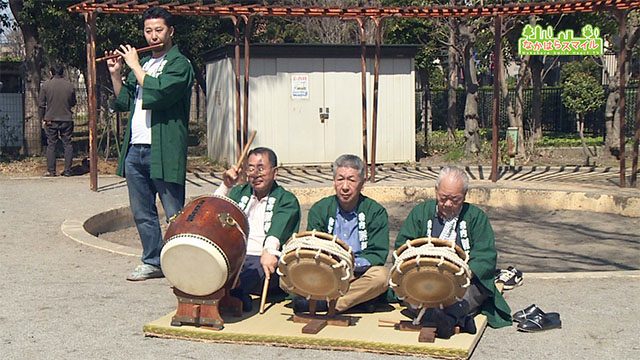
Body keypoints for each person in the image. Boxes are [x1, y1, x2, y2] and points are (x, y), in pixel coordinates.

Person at [106, 7, 195, 281]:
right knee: (142, 212)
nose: (153, 36)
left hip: (164, 149)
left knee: (174, 212)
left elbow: (159, 92)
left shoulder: (180, 64)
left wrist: (134, 65)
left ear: (170, 31)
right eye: (148, 31)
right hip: (136, 149)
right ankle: (152, 261)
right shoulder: (142, 65)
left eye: (158, 30)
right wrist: (117, 73)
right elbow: (124, 101)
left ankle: (185, 264)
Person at [395, 165, 511, 338]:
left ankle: (445, 317)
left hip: (462, 282)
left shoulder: (476, 217)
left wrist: (462, 273)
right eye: (443, 198)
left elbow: (485, 256)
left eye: (455, 199)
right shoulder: (421, 212)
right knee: (412, 294)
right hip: (424, 278)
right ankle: (454, 319)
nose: (448, 204)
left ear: (464, 196)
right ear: (436, 192)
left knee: (469, 294)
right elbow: (403, 246)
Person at [214, 147, 301, 312]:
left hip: (262, 259)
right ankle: (228, 294)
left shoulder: (287, 200)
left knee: (257, 267)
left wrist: (269, 251)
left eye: (261, 168)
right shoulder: (239, 192)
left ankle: (230, 293)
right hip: (236, 255)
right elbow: (212, 211)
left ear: (275, 172)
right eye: (251, 168)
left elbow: (277, 233)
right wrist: (226, 185)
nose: (255, 174)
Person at [301, 154, 389, 313]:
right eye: (340, 179)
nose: (345, 186)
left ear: (362, 184)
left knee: (382, 277)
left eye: (352, 180)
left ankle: (330, 303)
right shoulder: (319, 209)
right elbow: (313, 247)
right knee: (285, 277)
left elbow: (378, 253)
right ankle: (357, 301)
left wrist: (351, 267)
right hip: (326, 272)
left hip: (358, 273)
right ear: (334, 182)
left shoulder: (376, 212)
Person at [38, 63, 77, 177]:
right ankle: (68, 170)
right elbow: (73, 102)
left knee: (51, 144)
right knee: (68, 144)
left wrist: (42, 118)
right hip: (66, 118)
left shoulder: (45, 85)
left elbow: (41, 104)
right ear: (63, 72)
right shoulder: (70, 85)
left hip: (50, 118)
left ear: (51, 72)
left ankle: (51, 170)